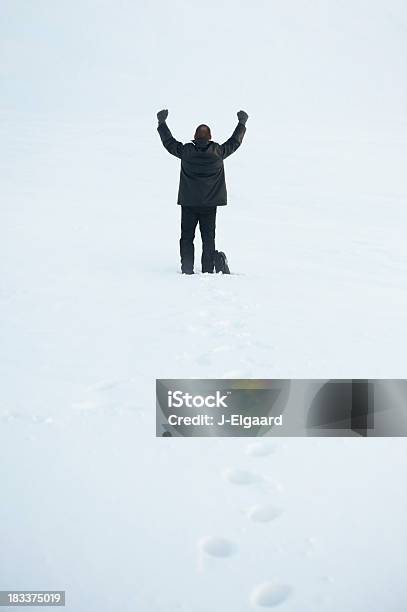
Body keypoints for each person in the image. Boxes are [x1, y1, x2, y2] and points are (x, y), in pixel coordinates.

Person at [157, 109, 248, 274]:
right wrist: (241, 124)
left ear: (195, 135)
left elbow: (169, 143)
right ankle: (207, 270)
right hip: (209, 205)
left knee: (186, 237)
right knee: (208, 238)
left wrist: (162, 123)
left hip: (189, 203)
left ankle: (187, 269)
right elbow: (235, 142)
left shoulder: (186, 152)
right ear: (210, 137)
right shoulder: (218, 152)